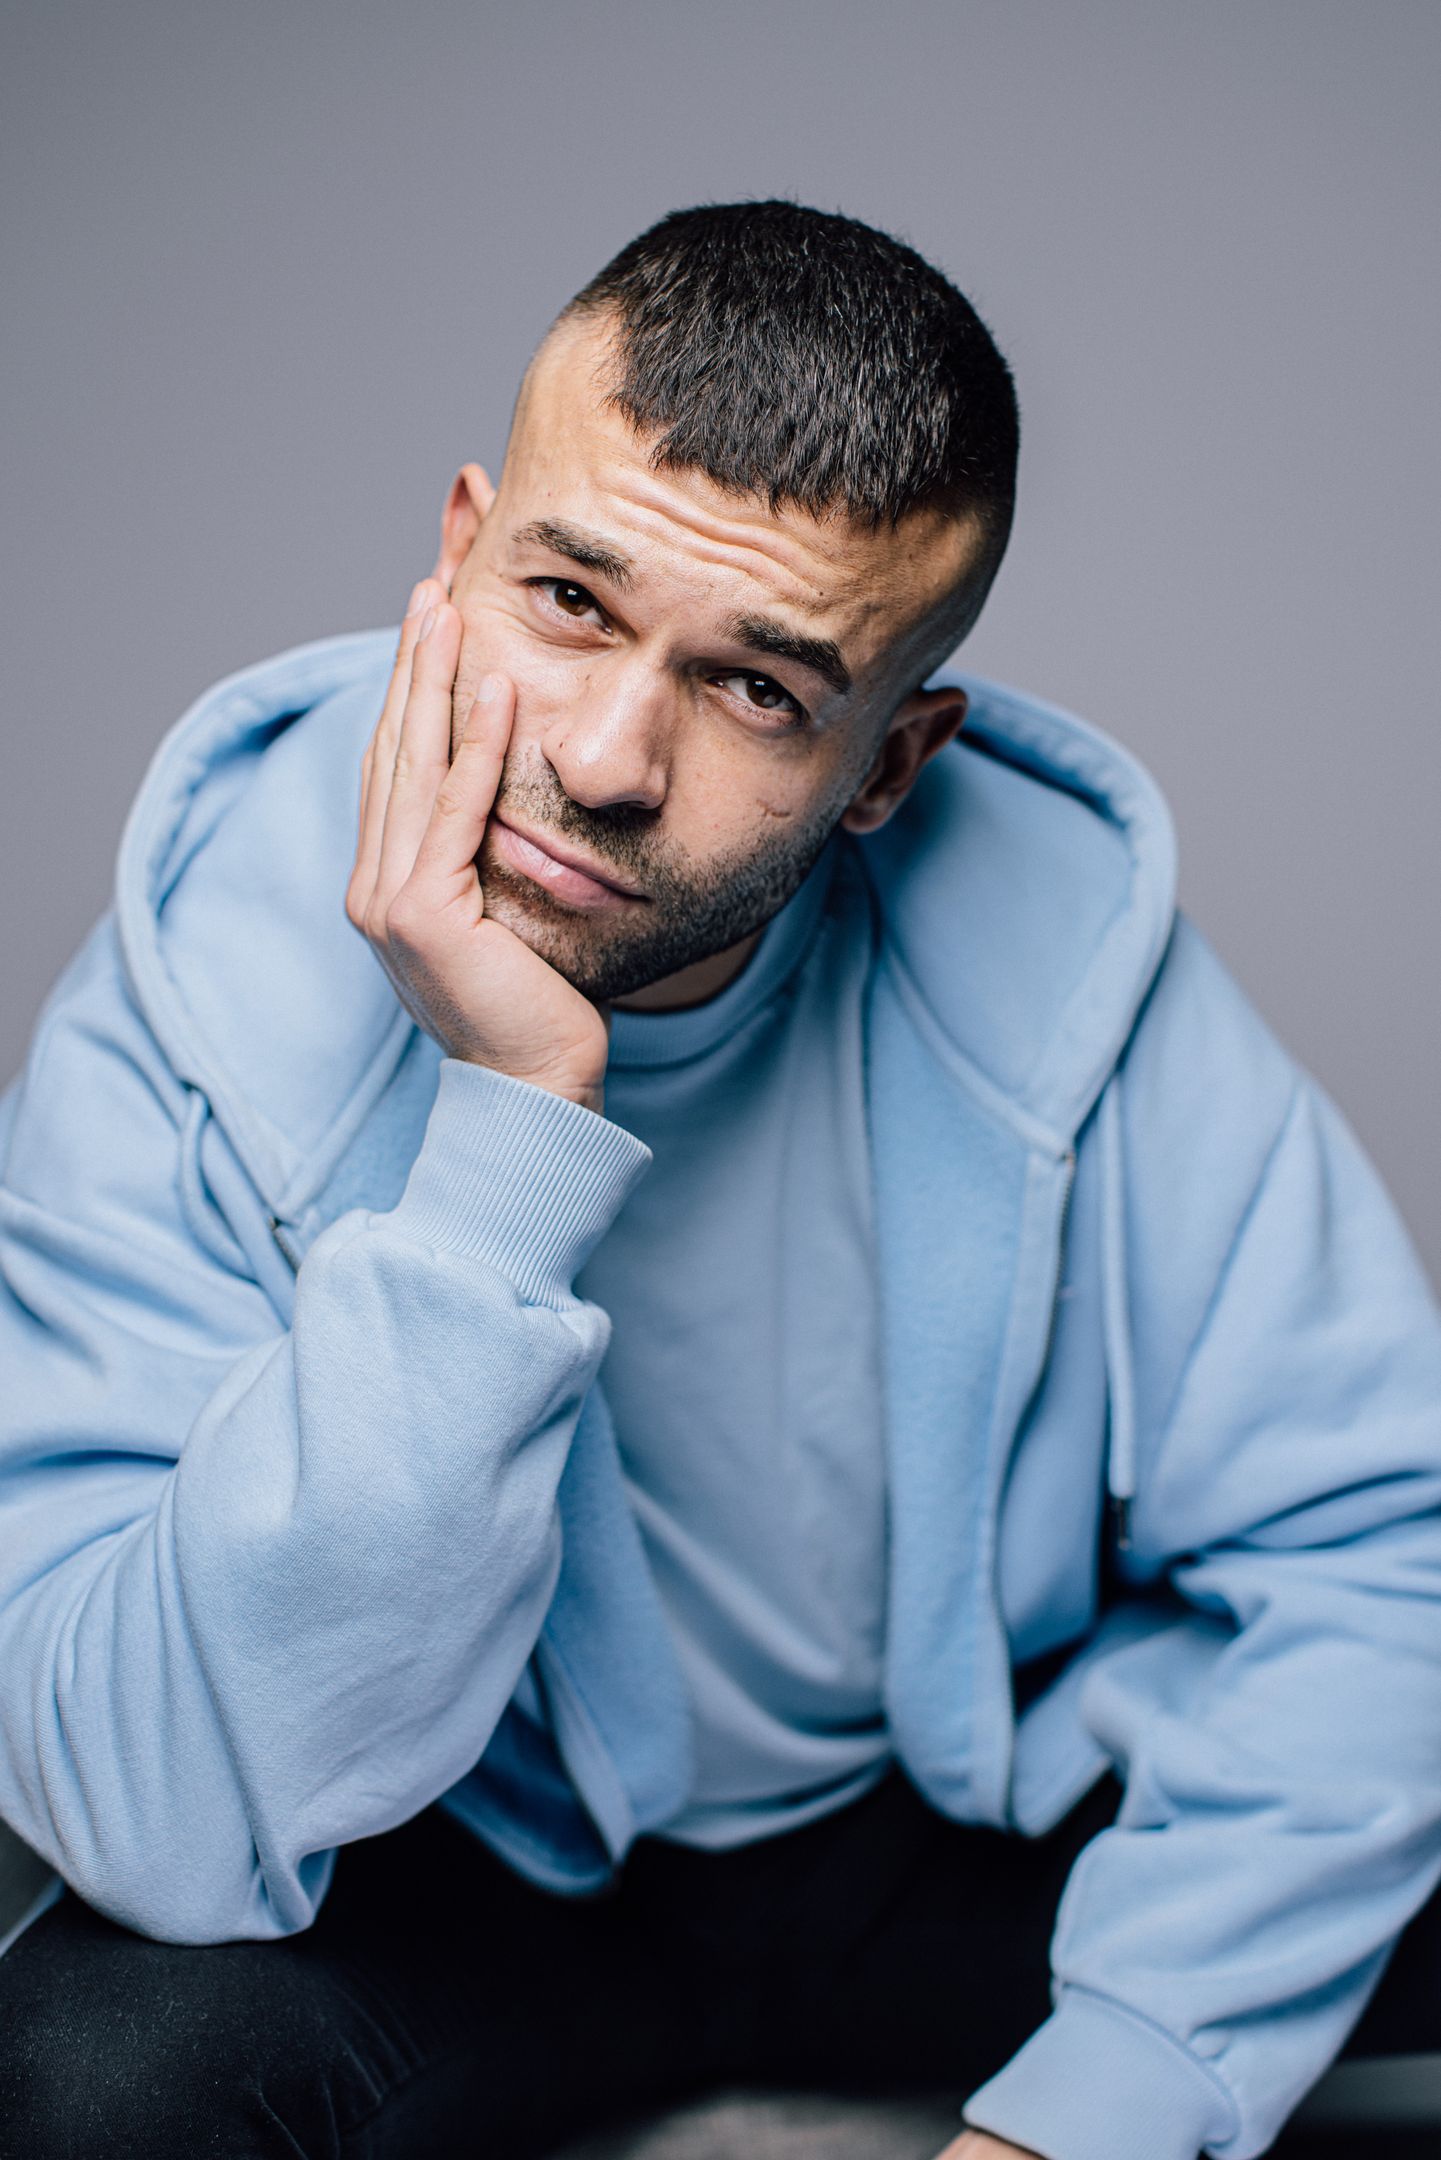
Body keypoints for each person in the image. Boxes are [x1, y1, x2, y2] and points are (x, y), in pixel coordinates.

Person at [0, 199, 1439, 2160]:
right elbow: (143, 1800)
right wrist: (508, 1121)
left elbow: (1371, 1553)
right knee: (78, 2088)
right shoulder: (203, 986)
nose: (605, 760)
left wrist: (1089, 2116)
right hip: (471, 1881)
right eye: (566, 602)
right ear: (457, 552)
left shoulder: (1067, 961)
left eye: (758, 687)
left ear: (889, 766)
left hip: (946, 1845)